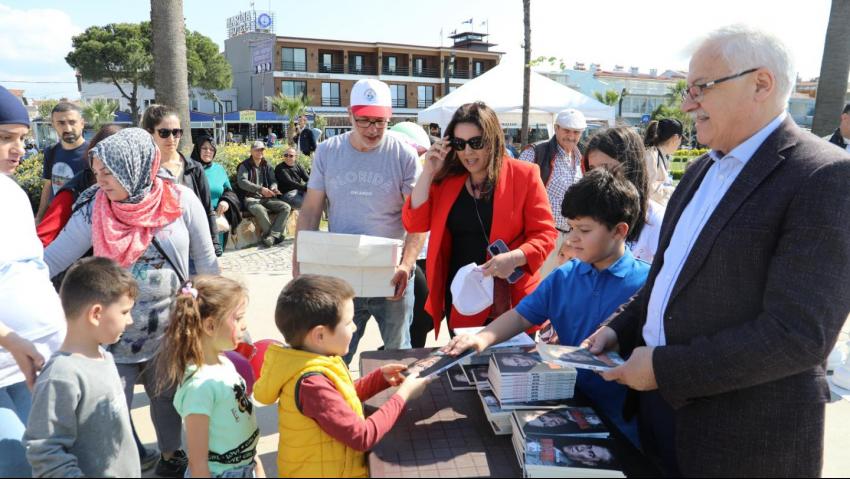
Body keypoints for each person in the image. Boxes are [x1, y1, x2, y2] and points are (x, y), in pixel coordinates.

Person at [581, 25, 850, 477]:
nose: (687, 105)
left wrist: (665, 370)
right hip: (659, 420)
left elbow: (798, 334)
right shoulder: (701, 171)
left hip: (743, 443)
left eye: (701, 88)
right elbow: (667, 281)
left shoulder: (824, 176)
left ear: (761, 84)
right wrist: (617, 329)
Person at [44, 127, 220, 477]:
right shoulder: (95, 207)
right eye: (96, 172)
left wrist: (217, 315)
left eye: (108, 172)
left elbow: (206, 263)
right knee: (111, 413)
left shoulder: (180, 200)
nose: (100, 180)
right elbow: (51, 260)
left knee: (167, 399)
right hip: (112, 336)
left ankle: (171, 457)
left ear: (133, 167)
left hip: (169, 330)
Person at [444, 169, 648, 446]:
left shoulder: (647, 283)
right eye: (571, 228)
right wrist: (481, 339)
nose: (571, 239)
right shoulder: (565, 276)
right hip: (565, 405)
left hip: (623, 421)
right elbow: (521, 316)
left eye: (584, 230)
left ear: (619, 231)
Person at [293, 78, 425, 365]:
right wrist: (299, 263)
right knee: (332, 356)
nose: (373, 129)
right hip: (341, 272)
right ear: (349, 114)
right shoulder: (328, 151)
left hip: (392, 273)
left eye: (380, 121)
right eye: (364, 120)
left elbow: (417, 218)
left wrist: (407, 264)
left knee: (397, 353)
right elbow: (311, 210)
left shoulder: (404, 154)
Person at [253, 275, 431, 478]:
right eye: (348, 323)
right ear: (320, 335)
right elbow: (362, 436)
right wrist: (403, 395)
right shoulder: (311, 384)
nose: (354, 327)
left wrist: (378, 379)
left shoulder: (313, 360)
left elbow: (339, 401)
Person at [404, 101, 556, 338]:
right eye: (459, 143)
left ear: (492, 140)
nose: (467, 151)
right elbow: (415, 223)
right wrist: (428, 172)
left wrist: (516, 257)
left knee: (509, 362)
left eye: (476, 143)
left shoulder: (524, 175)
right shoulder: (447, 180)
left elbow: (545, 234)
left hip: (510, 301)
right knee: (466, 360)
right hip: (463, 298)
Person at [0, 88, 66, 476]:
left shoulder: (11, 192)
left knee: (40, 457)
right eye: (5, 138)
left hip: (29, 358)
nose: (18, 149)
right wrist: (9, 338)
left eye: (22, 138)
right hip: (11, 352)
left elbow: (33, 267)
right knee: (14, 462)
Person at [24, 257, 140, 478]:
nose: (130, 321)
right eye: (125, 312)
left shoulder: (105, 357)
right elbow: (45, 452)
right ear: (96, 314)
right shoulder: (62, 376)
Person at [158, 276, 265, 478]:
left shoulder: (225, 362)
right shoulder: (199, 388)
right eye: (238, 318)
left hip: (245, 467)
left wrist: (256, 465)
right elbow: (198, 463)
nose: (244, 325)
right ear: (210, 326)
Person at [143, 105, 222, 256]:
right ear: (150, 132)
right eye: (164, 132)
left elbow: (207, 208)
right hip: (158, 248)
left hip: (193, 246)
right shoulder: (144, 170)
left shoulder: (194, 168)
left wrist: (214, 243)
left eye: (176, 132)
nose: (172, 138)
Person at [519, 109, 586, 277]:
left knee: (565, 286)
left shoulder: (581, 158)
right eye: (567, 130)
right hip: (543, 236)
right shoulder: (535, 152)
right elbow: (515, 191)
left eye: (576, 132)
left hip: (571, 239)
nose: (571, 136)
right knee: (538, 284)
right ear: (556, 128)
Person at [585, 127, 663, 263]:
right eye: (592, 169)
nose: (598, 177)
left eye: (607, 168)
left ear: (631, 166)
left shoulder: (655, 220)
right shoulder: (589, 212)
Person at [37, 124, 122, 248]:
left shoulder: (147, 193)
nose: (103, 180)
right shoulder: (75, 193)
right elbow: (41, 241)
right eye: (100, 171)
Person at [35, 102, 89, 222]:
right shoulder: (51, 152)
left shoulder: (93, 153)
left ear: (82, 123)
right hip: (56, 220)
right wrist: (39, 217)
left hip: (83, 222)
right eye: (61, 123)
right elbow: (48, 186)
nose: (67, 128)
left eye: (72, 122)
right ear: (53, 125)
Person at [237, 141, 290, 247]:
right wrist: (260, 189)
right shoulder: (244, 165)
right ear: (251, 151)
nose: (260, 151)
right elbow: (242, 182)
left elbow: (273, 180)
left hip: (266, 197)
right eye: (257, 149)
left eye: (262, 149)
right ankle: (274, 236)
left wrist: (273, 188)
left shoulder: (267, 165)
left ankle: (271, 236)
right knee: (260, 210)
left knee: (286, 207)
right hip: (251, 198)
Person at [191, 135, 240, 249]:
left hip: (217, 220)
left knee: (217, 253)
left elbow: (229, 191)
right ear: (197, 149)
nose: (208, 151)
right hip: (195, 221)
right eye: (204, 148)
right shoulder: (189, 169)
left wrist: (225, 201)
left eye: (211, 149)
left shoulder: (219, 169)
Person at [643, 118, 683, 205]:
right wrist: (673, 190)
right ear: (675, 138)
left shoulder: (658, 154)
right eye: (681, 140)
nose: (680, 144)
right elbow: (649, 191)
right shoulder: (651, 155)